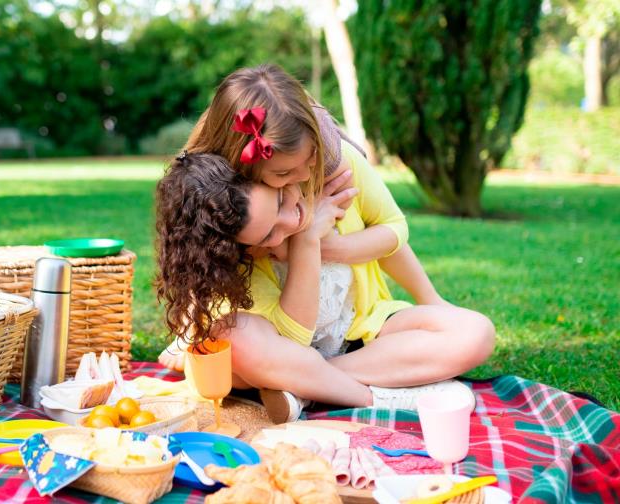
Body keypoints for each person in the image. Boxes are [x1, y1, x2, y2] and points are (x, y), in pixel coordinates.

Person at [156, 64, 494, 421]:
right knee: (232, 341)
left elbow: (394, 231)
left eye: (309, 162)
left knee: (475, 332)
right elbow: (288, 340)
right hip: (283, 344)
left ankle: (304, 387)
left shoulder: (334, 166)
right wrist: (305, 240)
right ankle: (372, 394)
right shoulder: (235, 214)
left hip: (357, 331)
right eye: (283, 178)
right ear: (243, 171)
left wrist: (327, 245)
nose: (302, 178)